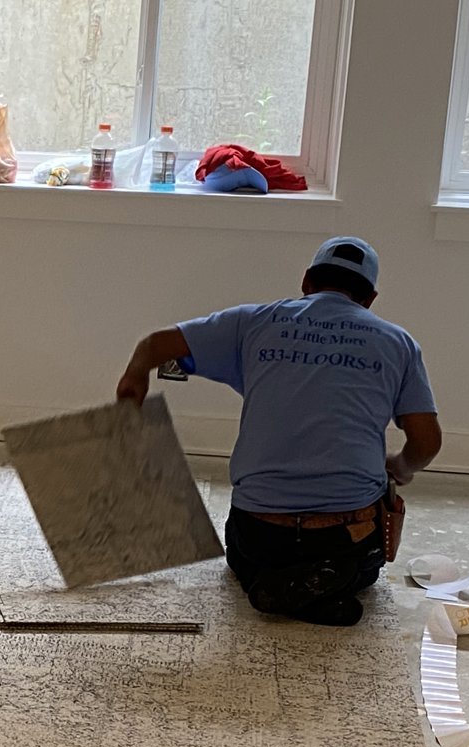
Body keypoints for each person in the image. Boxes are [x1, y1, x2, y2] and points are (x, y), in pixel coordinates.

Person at [115, 236, 442, 627]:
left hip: (259, 536)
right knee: (366, 565)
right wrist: (401, 467)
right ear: (370, 299)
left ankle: (275, 584)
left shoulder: (252, 322)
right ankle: (323, 587)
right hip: (344, 538)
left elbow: (154, 345)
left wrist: (135, 376)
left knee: (243, 559)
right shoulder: (398, 343)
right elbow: (427, 442)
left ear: (306, 281)